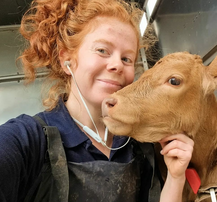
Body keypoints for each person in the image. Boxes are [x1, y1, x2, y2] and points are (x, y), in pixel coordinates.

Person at [0, 0, 194, 201]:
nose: (117, 65)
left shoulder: (140, 143)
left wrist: (175, 177)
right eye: (102, 50)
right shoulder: (27, 140)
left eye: (127, 59)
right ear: (66, 60)